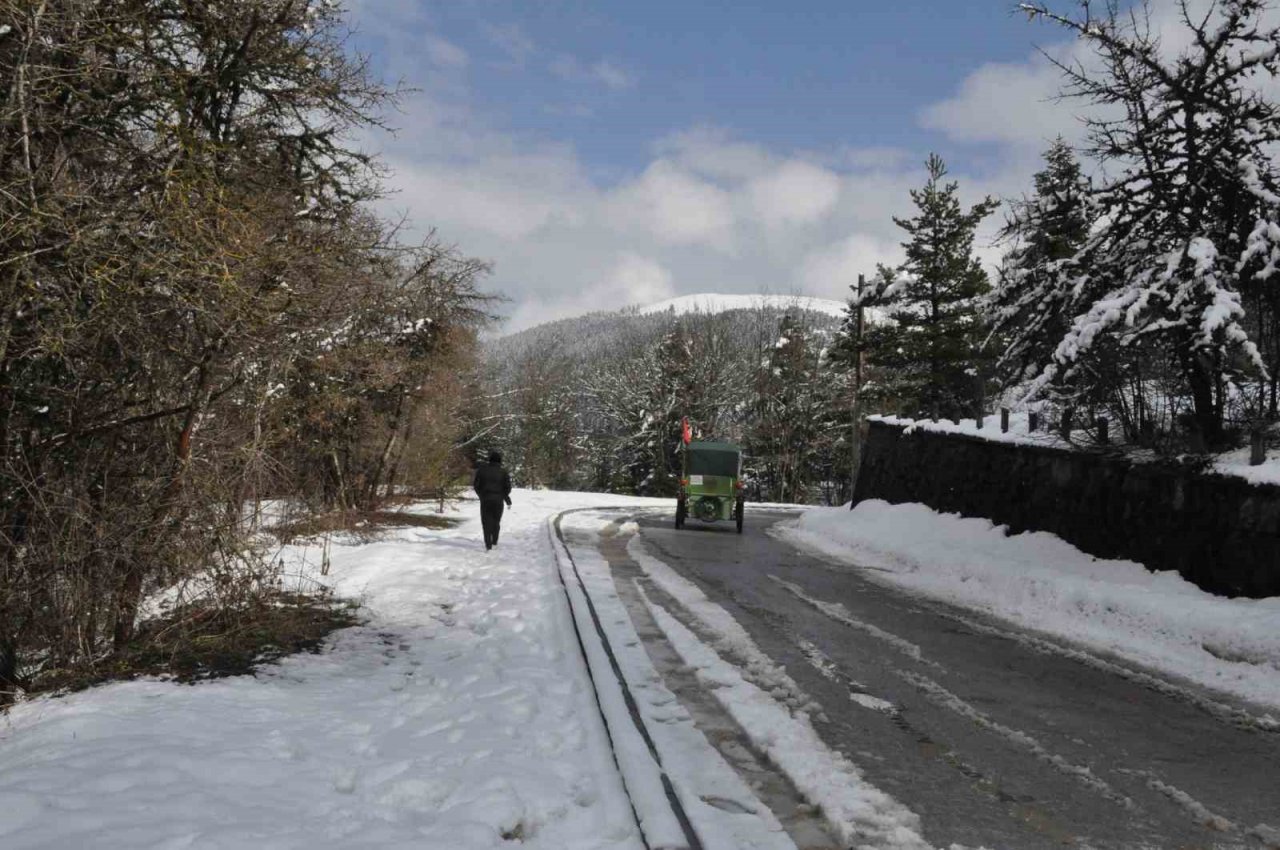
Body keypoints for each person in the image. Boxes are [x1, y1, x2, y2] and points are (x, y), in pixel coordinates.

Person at [473, 450, 512, 550]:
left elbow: (476, 485)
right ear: (499, 461)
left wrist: (481, 495)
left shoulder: (481, 470)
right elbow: (507, 487)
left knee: (486, 521)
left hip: (485, 499)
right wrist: (505, 496)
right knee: (496, 521)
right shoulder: (503, 472)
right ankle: (494, 540)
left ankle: (488, 544)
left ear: (490, 460)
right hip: (498, 500)